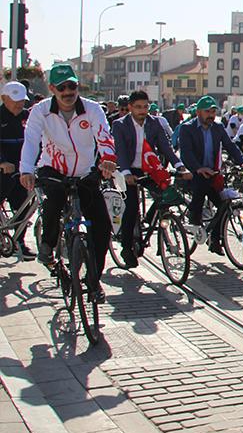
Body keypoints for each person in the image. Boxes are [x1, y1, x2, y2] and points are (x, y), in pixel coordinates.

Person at [19, 64, 116, 301]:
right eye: (61, 88)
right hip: (53, 169)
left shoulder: (92, 109)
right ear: (52, 89)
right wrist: (26, 170)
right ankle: (48, 245)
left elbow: (104, 135)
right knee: (53, 204)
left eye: (71, 86)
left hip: (85, 172)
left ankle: (93, 281)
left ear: (77, 86)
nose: (67, 92)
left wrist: (108, 159)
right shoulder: (40, 111)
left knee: (102, 227)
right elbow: (31, 141)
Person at [112, 90, 190, 268]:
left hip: (149, 168)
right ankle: (126, 247)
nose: (142, 111)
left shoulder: (154, 123)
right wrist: (126, 173)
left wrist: (180, 166)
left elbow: (166, 147)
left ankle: (149, 219)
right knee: (131, 207)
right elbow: (120, 151)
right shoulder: (120, 125)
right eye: (138, 107)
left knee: (167, 194)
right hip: (128, 169)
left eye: (145, 107)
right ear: (130, 107)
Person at [178, 96, 243, 255]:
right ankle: (194, 219)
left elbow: (230, 146)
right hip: (195, 173)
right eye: (207, 111)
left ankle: (215, 240)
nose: (210, 115)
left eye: (213, 111)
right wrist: (198, 168)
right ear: (198, 112)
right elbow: (186, 153)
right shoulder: (187, 128)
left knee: (223, 205)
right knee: (200, 191)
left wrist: (242, 162)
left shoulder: (218, 128)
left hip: (213, 174)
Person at [0, 82, 34, 259]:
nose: (19, 104)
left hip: (22, 168)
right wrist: (2, 162)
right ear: (4, 98)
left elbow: (37, 141)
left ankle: (19, 241)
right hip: (4, 168)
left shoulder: (28, 117)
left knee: (23, 206)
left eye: (22, 100)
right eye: (15, 100)